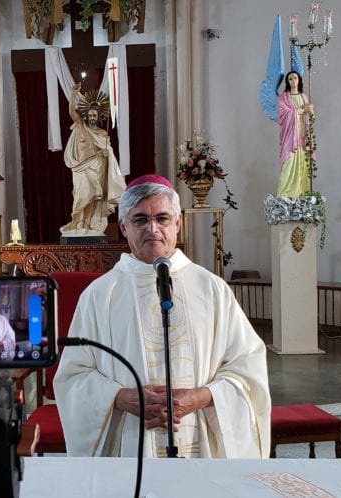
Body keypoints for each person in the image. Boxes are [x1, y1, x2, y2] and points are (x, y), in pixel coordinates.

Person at [54, 175, 271, 458]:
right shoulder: (99, 295)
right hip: (130, 440)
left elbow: (246, 368)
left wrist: (199, 397)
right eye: (140, 220)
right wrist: (119, 397)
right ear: (123, 227)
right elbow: (74, 375)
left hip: (197, 436)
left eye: (162, 219)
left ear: (178, 223)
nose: (152, 229)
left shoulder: (211, 289)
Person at [60, 82, 126, 237]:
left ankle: (87, 224)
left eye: (94, 115)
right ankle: (77, 221)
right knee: (81, 195)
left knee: (94, 197)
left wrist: (106, 153)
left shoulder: (103, 133)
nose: (91, 118)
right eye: (89, 115)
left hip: (97, 167)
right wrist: (73, 94)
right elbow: (71, 113)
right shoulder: (81, 125)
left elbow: (107, 151)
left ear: (99, 116)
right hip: (81, 167)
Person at [276, 70, 313, 197]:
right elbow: (283, 115)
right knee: (288, 163)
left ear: (299, 80)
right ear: (287, 81)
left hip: (302, 136)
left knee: (302, 165)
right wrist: (302, 110)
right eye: (290, 78)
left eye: (295, 78)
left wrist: (310, 112)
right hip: (290, 136)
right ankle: (285, 194)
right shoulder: (284, 98)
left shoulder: (304, 97)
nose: (293, 80)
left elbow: (310, 119)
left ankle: (300, 193)